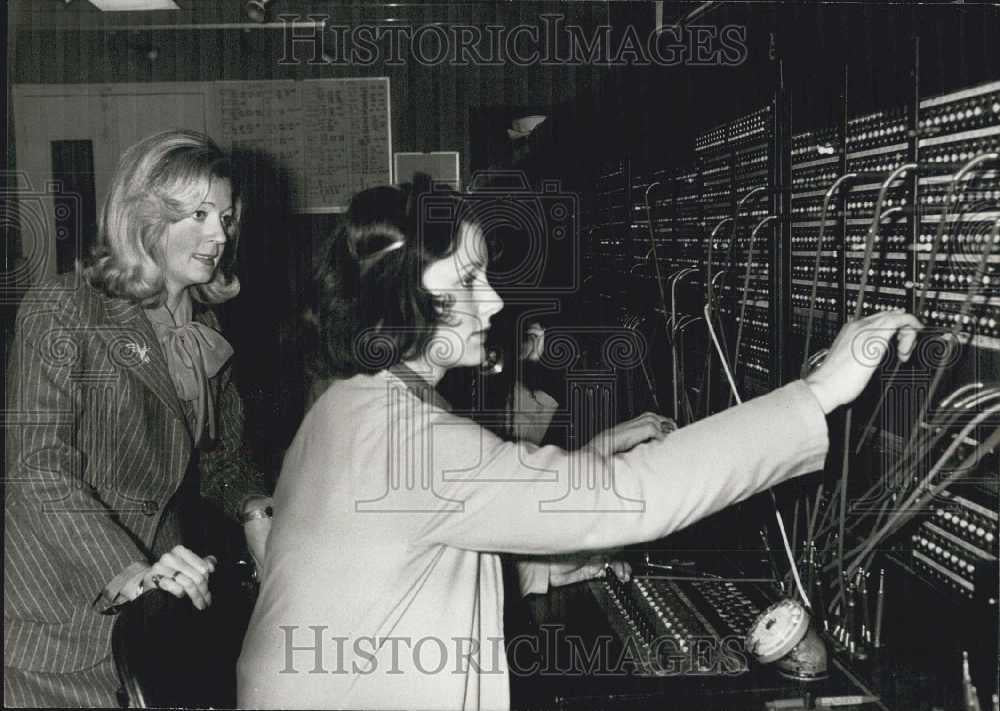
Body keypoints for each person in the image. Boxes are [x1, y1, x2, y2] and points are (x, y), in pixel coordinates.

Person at [236, 180, 921, 710]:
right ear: (398, 297)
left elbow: (391, 560)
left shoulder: (348, 405)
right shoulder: (406, 440)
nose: (496, 303)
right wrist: (820, 392)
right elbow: (632, 498)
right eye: (469, 280)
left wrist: (530, 572)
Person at [4, 129, 271, 708]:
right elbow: (35, 469)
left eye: (225, 216)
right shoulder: (61, 310)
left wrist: (255, 507)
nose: (218, 235)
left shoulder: (204, 329)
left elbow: (217, 454)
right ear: (144, 218)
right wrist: (129, 568)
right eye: (197, 214)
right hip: (51, 623)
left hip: (154, 624)